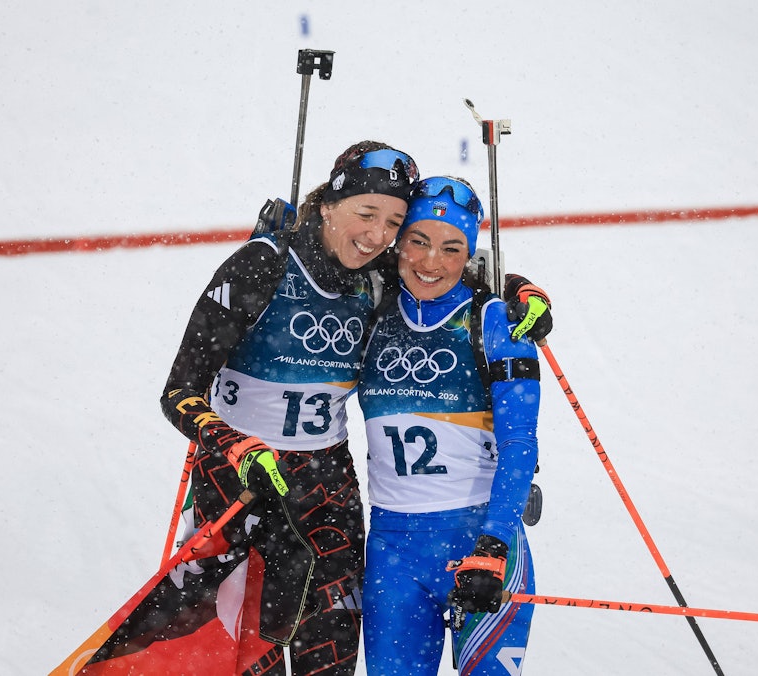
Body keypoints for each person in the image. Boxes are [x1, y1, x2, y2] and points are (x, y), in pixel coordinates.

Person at [161, 140, 551, 675]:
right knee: (243, 661)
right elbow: (179, 389)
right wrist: (230, 444)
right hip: (243, 485)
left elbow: (448, 270)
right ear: (328, 204)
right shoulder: (275, 266)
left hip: (328, 491)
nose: (377, 236)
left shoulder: (380, 278)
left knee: (331, 663)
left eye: (392, 223)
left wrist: (518, 287)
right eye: (368, 214)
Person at [357, 176, 541, 675]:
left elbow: (520, 443)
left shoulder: (496, 321)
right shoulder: (371, 311)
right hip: (393, 550)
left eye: (451, 248)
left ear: (469, 254)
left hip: (481, 541)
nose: (431, 262)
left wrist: (493, 545)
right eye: (418, 241)